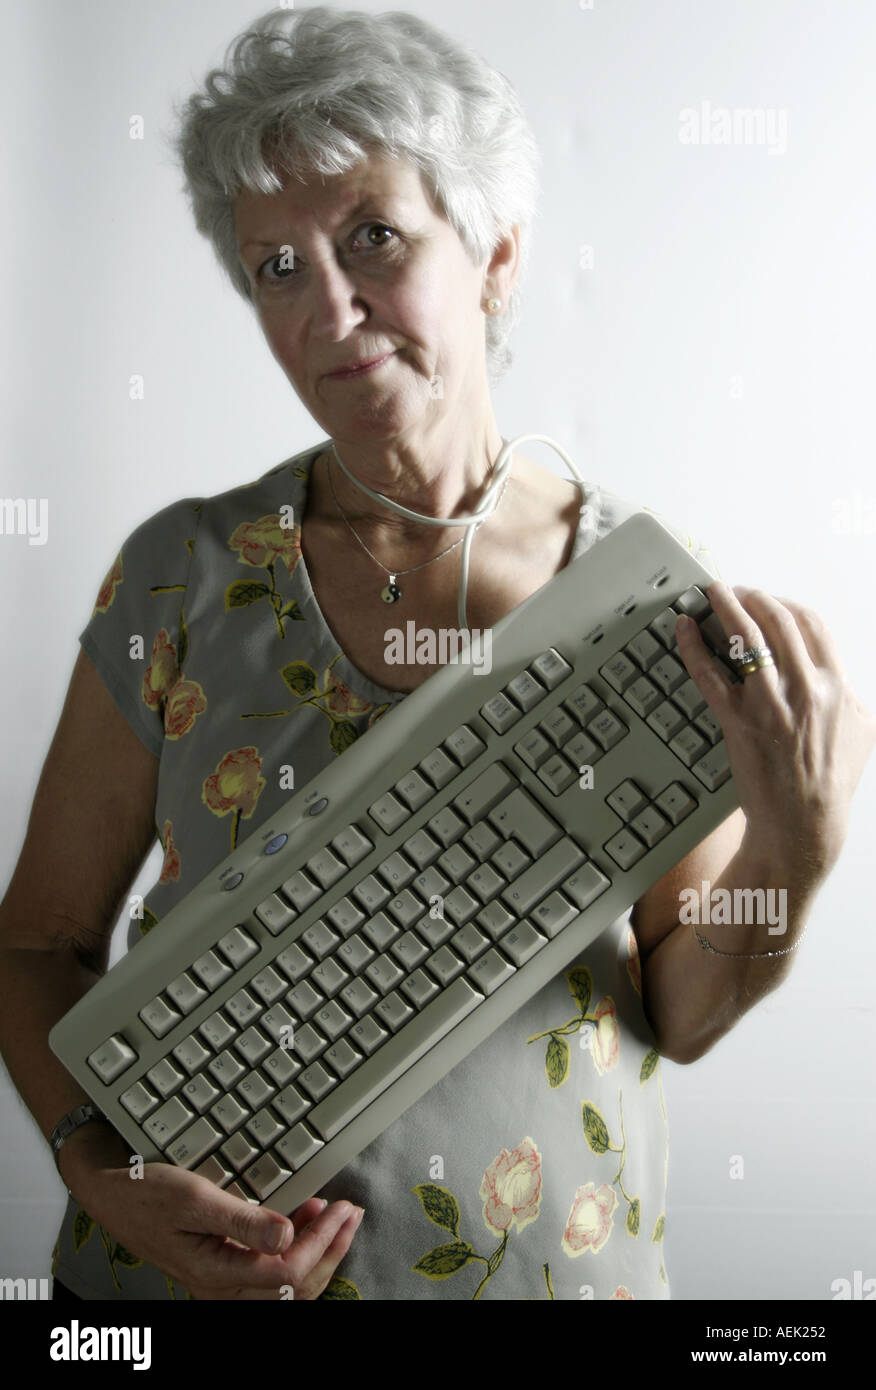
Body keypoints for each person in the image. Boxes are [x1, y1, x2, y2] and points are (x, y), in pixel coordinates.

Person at [1, 5, 873, 1302]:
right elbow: (39, 946)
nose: (331, 307)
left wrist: (796, 853)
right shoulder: (180, 571)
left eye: (372, 236)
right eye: (276, 268)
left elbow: (681, 1009)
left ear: (498, 256)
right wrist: (96, 1167)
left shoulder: (632, 599)